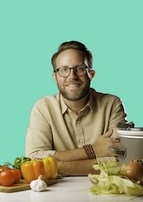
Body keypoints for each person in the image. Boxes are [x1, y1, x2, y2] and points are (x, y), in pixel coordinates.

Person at [25, 40, 127, 176]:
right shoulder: (43, 108)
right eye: (64, 70)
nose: (72, 77)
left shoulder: (112, 104)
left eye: (80, 68)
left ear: (91, 74)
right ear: (55, 77)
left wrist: (58, 166)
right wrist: (93, 150)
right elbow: (35, 159)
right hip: (55, 195)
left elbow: (121, 159)